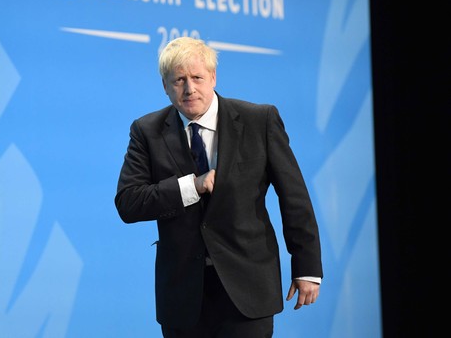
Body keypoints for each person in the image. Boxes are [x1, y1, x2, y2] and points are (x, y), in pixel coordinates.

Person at [114, 36, 323, 337]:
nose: (189, 89)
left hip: (248, 287)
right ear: (164, 86)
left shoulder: (258, 120)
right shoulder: (146, 131)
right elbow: (128, 202)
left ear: (213, 77)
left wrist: (307, 266)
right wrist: (192, 187)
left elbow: (294, 197)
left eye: (197, 77)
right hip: (183, 296)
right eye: (179, 80)